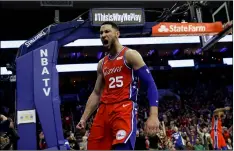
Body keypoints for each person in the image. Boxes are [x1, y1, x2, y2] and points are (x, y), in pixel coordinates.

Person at [76, 21, 160, 150]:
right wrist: (83, 119)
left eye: (107, 31)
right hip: (103, 110)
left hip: (124, 108)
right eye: (101, 33)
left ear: (117, 34)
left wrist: (153, 115)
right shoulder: (102, 63)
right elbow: (96, 93)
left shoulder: (130, 55)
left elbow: (150, 84)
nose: (103, 35)